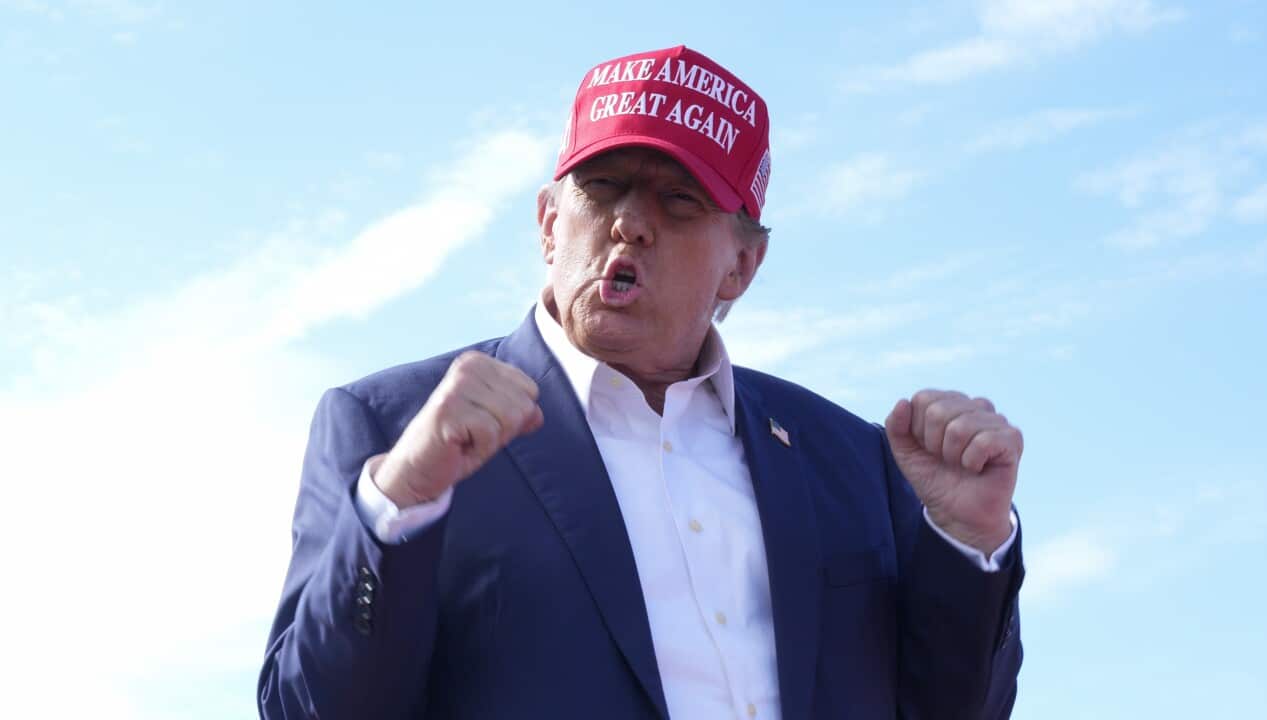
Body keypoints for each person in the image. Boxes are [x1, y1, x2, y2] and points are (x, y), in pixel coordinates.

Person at [259, 45, 1025, 720]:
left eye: (678, 200)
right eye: (604, 187)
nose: (630, 222)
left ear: (742, 265)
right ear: (549, 223)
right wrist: (401, 508)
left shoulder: (855, 463)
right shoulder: (389, 430)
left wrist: (969, 544)